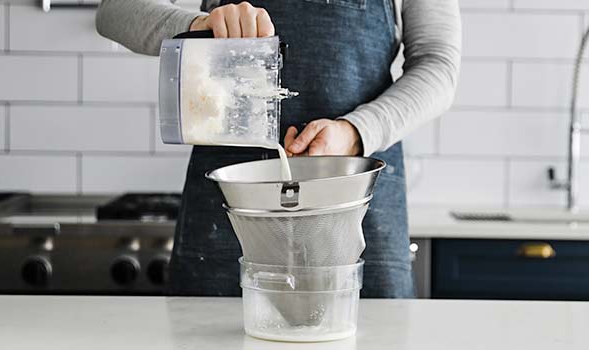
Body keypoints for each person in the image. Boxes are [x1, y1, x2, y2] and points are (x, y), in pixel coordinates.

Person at [96, 0, 460, 298]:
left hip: (356, 206)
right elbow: (114, 12)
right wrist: (204, 26)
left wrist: (356, 132)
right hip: (228, 215)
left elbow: (438, 65)